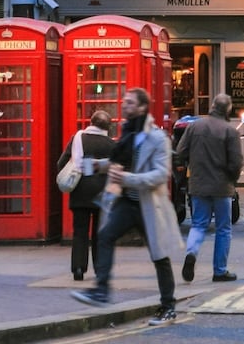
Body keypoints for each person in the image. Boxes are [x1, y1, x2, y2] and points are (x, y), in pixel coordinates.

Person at [72, 88, 182, 326]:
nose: (125, 105)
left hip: (148, 205)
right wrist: (95, 166)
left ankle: (168, 307)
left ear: (142, 107)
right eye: (124, 101)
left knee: (159, 256)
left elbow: (161, 175)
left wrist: (129, 179)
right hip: (126, 203)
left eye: (130, 103)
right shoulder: (127, 132)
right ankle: (102, 289)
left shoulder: (156, 138)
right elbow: (118, 162)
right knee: (104, 236)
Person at [177, 93, 243, 283]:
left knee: (198, 224)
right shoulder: (230, 131)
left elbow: (180, 152)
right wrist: (233, 179)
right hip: (222, 187)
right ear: (228, 109)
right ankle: (220, 271)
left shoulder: (194, 126)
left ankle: (191, 253)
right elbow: (236, 162)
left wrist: (190, 167)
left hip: (198, 184)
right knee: (223, 228)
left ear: (212, 106)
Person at [56, 109, 114, 281]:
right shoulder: (111, 144)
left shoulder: (77, 139)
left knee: (79, 231)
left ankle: (78, 269)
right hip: (101, 194)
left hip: (80, 192)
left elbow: (61, 163)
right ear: (107, 127)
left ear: (91, 122)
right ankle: (99, 269)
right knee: (99, 233)